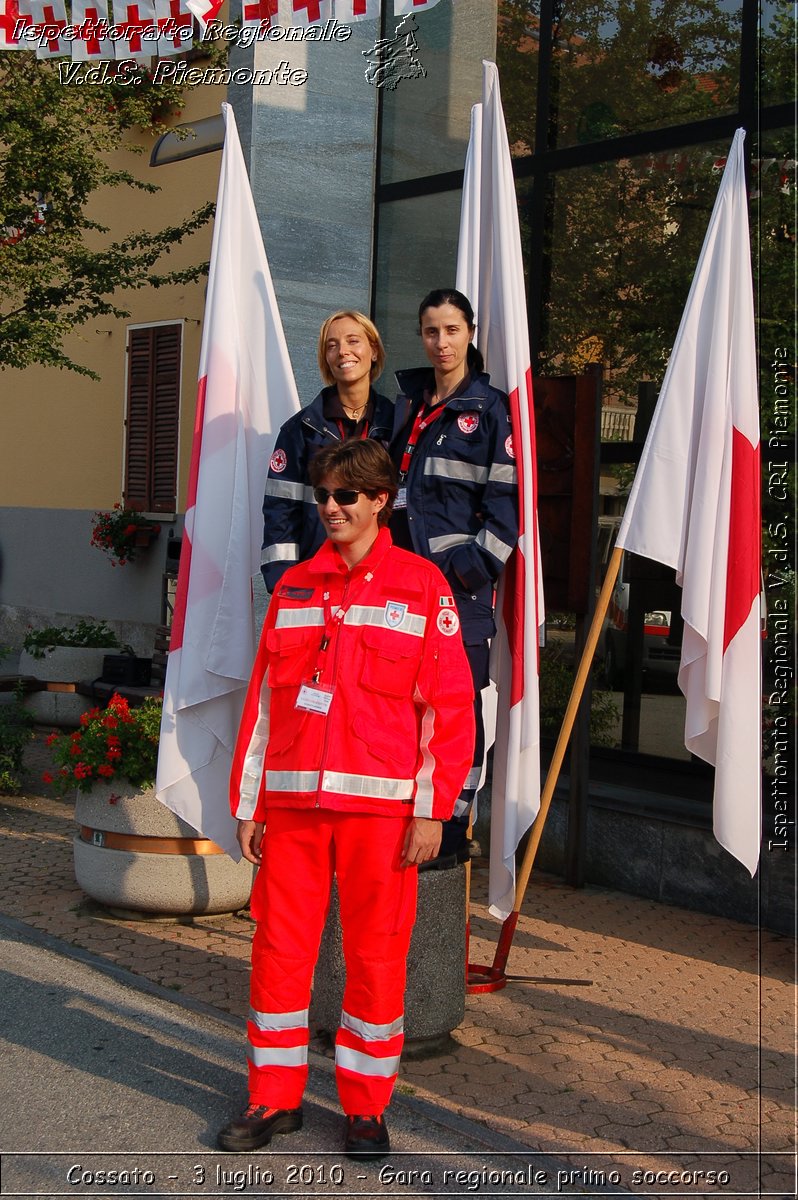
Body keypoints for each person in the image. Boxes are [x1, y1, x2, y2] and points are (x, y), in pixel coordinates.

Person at [219, 439, 475, 1159]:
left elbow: (449, 710)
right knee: (278, 951)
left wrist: (433, 809)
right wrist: (249, 804)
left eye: (346, 497)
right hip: (294, 810)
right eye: (324, 496)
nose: (331, 507)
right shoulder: (295, 587)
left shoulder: (423, 586)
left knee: (375, 957)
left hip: (383, 814)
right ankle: (273, 1097)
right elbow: (264, 710)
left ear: (379, 501)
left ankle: (365, 1106)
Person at [389, 288, 519, 862]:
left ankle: (454, 816)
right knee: (401, 701)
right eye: (429, 331)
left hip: (455, 596)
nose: (440, 343)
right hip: (400, 588)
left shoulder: (489, 411)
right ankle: (409, 806)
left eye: (450, 330)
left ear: (470, 333)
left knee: (457, 705)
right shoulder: (406, 407)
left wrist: (462, 577)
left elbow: (506, 512)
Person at [261, 310, 394, 593]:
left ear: (373, 350)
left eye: (353, 340)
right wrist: (286, 587)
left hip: (384, 582)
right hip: (317, 580)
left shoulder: (397, 424)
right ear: (326, 359)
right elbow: (280, 515)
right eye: (331, 345)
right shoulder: (300, 430)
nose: (343, 351)